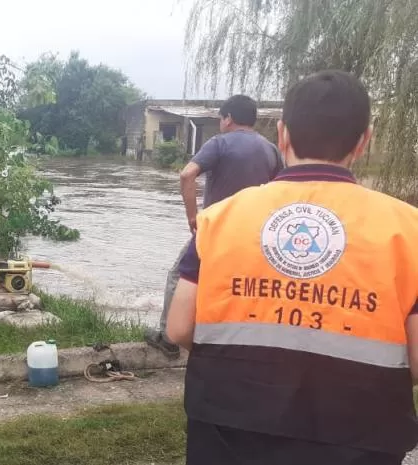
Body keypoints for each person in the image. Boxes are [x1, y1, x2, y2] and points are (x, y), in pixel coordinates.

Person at [166, 70, 418, 465]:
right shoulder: (409, 229)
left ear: (282, 134)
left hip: (227, 422)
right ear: (364, 141)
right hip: (360, 432)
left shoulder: (219, 219)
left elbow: (180, 327)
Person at [146, 95, 283, 358]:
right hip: (257, 234)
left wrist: (192, 217)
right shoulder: (270, 149)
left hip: (217, 228)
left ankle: (168, 337)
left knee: (179, 275)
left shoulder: (219, 143)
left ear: (228, 118)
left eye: (221, 118)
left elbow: (187, 174)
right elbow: (282, 189)